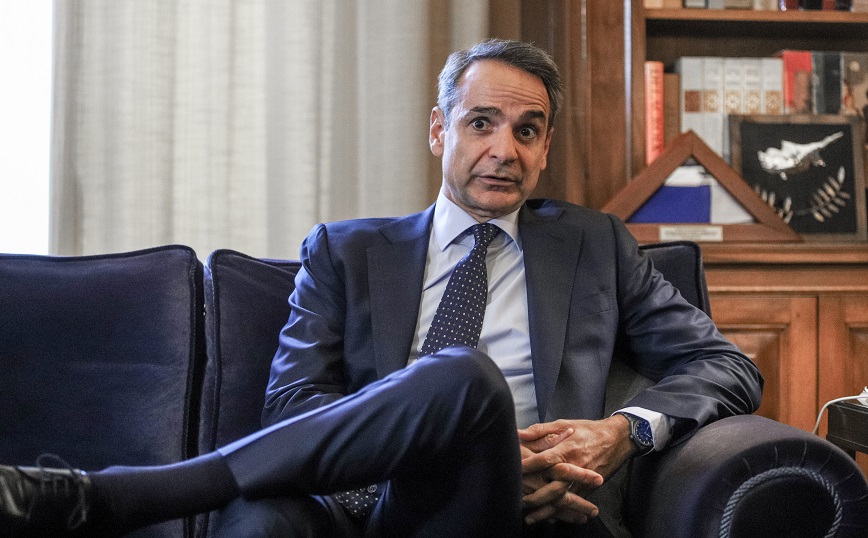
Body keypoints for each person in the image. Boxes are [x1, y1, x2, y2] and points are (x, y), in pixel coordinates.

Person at [0, 39, 762, 538]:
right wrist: (423, 453)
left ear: (546, 146)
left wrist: (622, 431)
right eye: (481, 123)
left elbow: (726, 365)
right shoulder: (347, 250)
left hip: (533, 511)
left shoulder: (595, 246)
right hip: (362, 504)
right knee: (455, 381)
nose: (504, 150)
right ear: (439, 130)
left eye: (526, 131)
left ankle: (117, 498)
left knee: (464, 376)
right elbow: (292, 403)